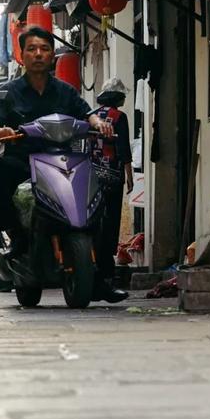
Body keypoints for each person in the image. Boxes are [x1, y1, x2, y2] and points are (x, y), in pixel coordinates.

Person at [0, 25, 127, 303]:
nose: (38, 54)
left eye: (44, 49)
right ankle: (16, 234)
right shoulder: (8, 92)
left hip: (63, 160)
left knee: (97, 204)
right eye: (32, 49)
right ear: (21, 55)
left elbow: (87, 114)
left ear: (52, 57)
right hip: (22, 162)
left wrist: (99, 124)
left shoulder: (65, 91)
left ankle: (103, 277)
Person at [92, 77, 133, 288]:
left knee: (94, 219)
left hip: (91, 177)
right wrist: (129, 176)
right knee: (111, 221)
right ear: (117, 97)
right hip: (112, 176)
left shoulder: (92, 115)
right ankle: (106, 267)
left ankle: (93, 262)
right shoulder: (119, 117)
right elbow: (124, 149)